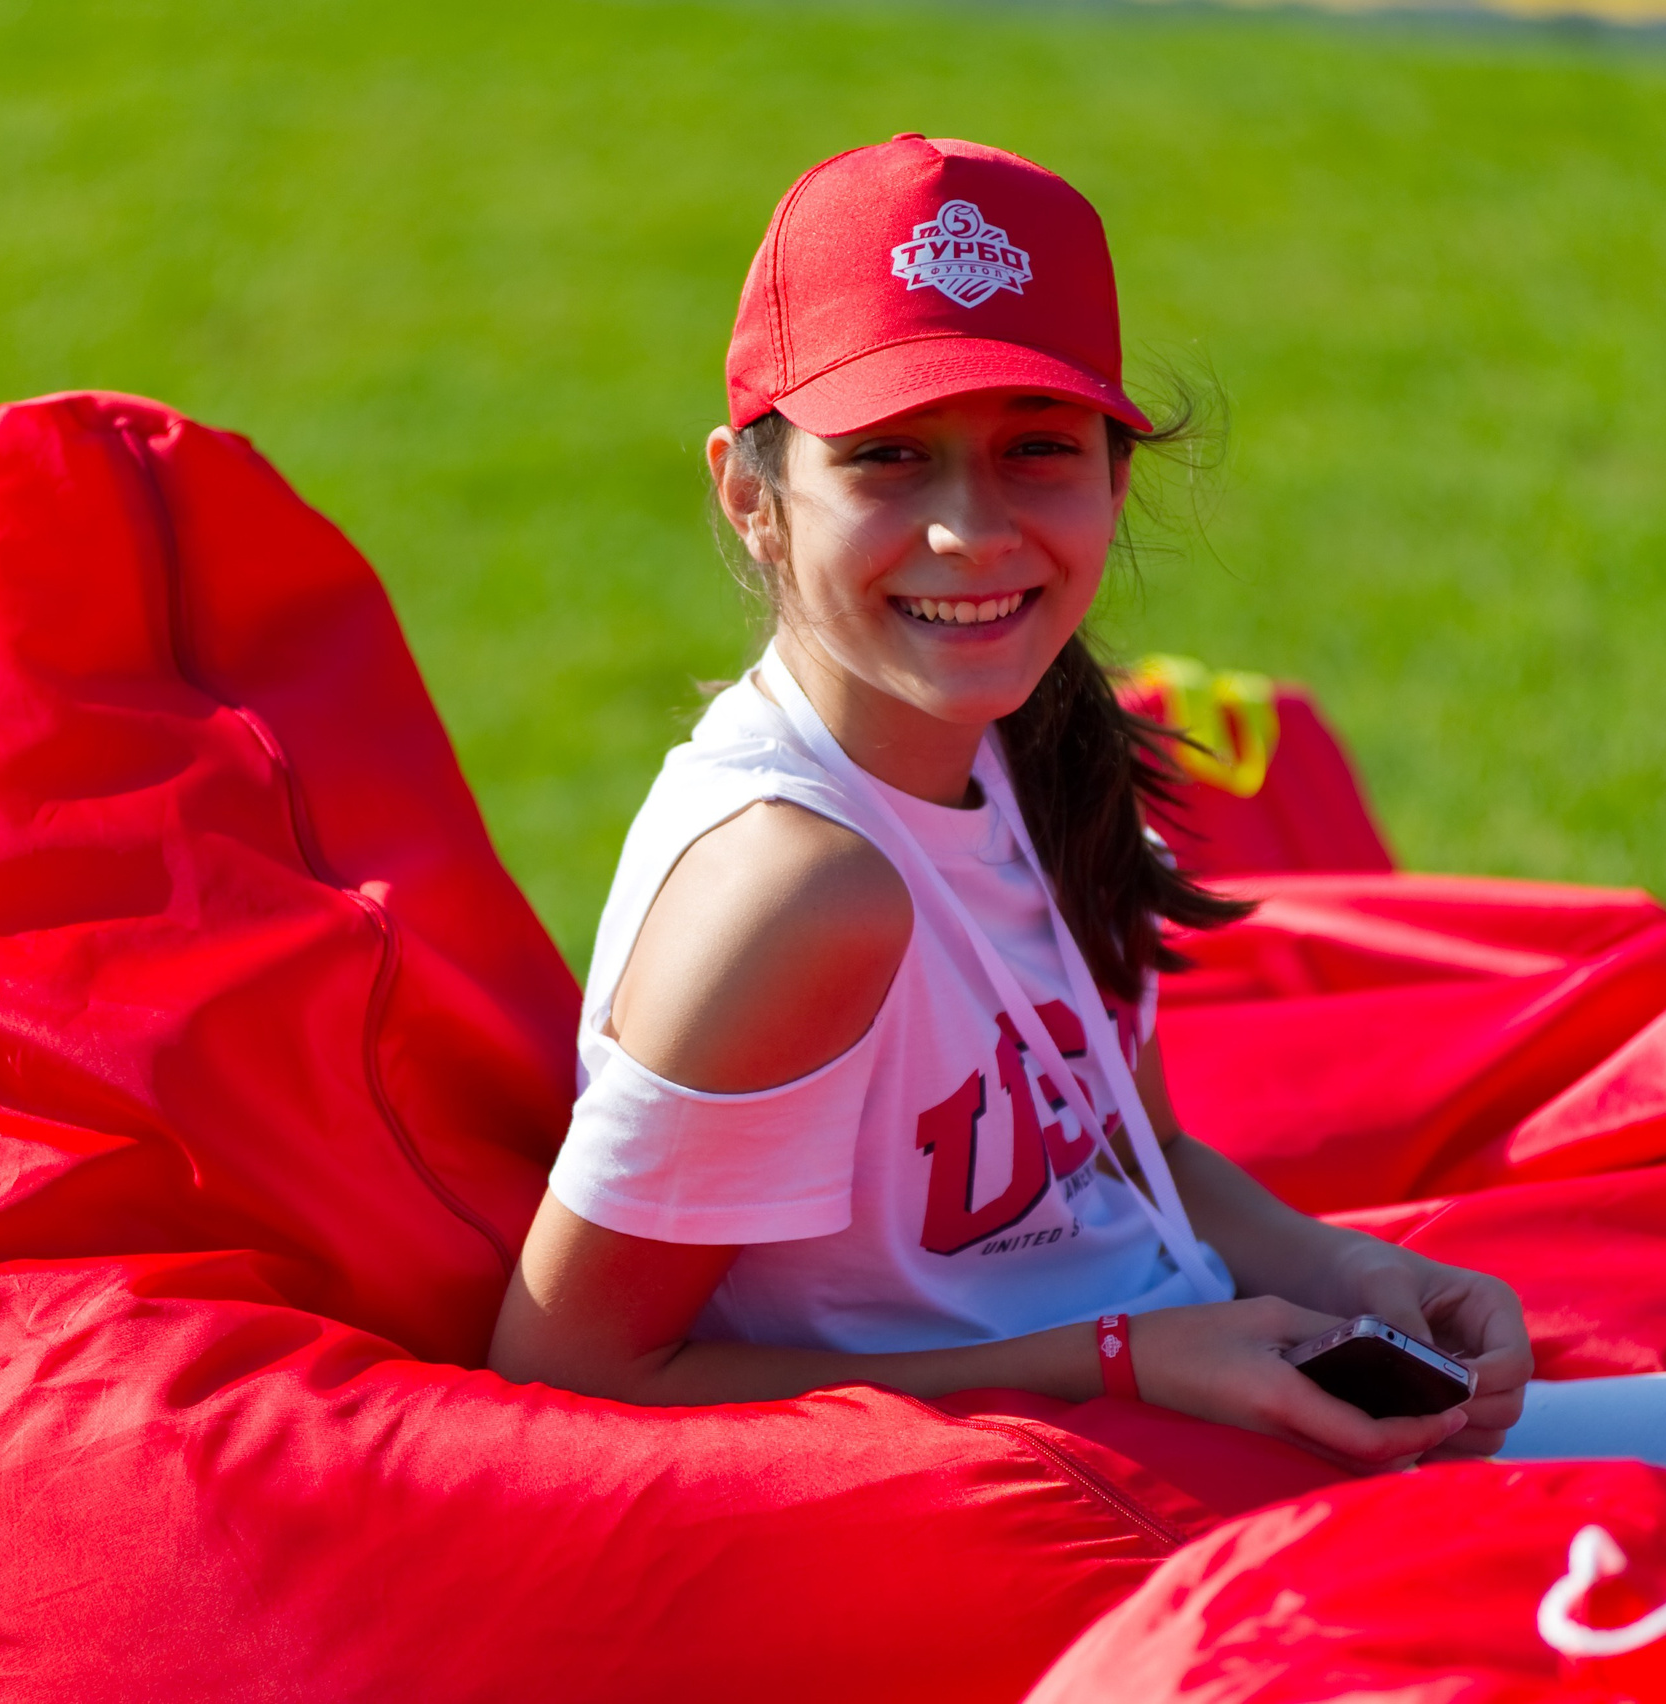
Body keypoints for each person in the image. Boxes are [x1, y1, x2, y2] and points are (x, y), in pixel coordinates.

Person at [488, 134, 1529, 1470]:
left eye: (1037, 447)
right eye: (887, 456)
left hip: (1188, 1423)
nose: (972, 532)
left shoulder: (1029, 739)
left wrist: (1348, 1273)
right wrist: (1122, 1360)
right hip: (1031, 1507)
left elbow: (1134, 1154)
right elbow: (573, 1378)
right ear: (752, 495)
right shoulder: (797, 889)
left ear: (1116, 480)